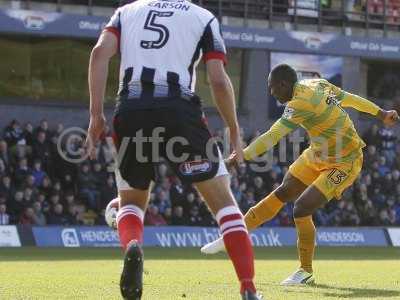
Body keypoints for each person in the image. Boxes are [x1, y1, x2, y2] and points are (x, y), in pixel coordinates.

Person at [85, 1, 260, 299]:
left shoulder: (127, 11)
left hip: (131, 110)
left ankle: (132, 245)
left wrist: (95, 115)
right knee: (224, 204)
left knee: (131, 202)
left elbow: (99, 54)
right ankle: (248, 288)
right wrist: (233, 127)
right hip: (181, 112)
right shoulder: (203, 17)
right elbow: (217, 79)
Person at [201, 64, 399, 285]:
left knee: (302, 208)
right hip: (317, 154)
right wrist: (381, 113)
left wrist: (239, 157)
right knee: (284, 191)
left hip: (345, 161)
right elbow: (349, 98)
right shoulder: (317, 84)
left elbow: (272, 136)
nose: (271, 93)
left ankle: (305, 272)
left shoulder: (298, 104)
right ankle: (233, 236)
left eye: (272, 88)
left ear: (284, 85)